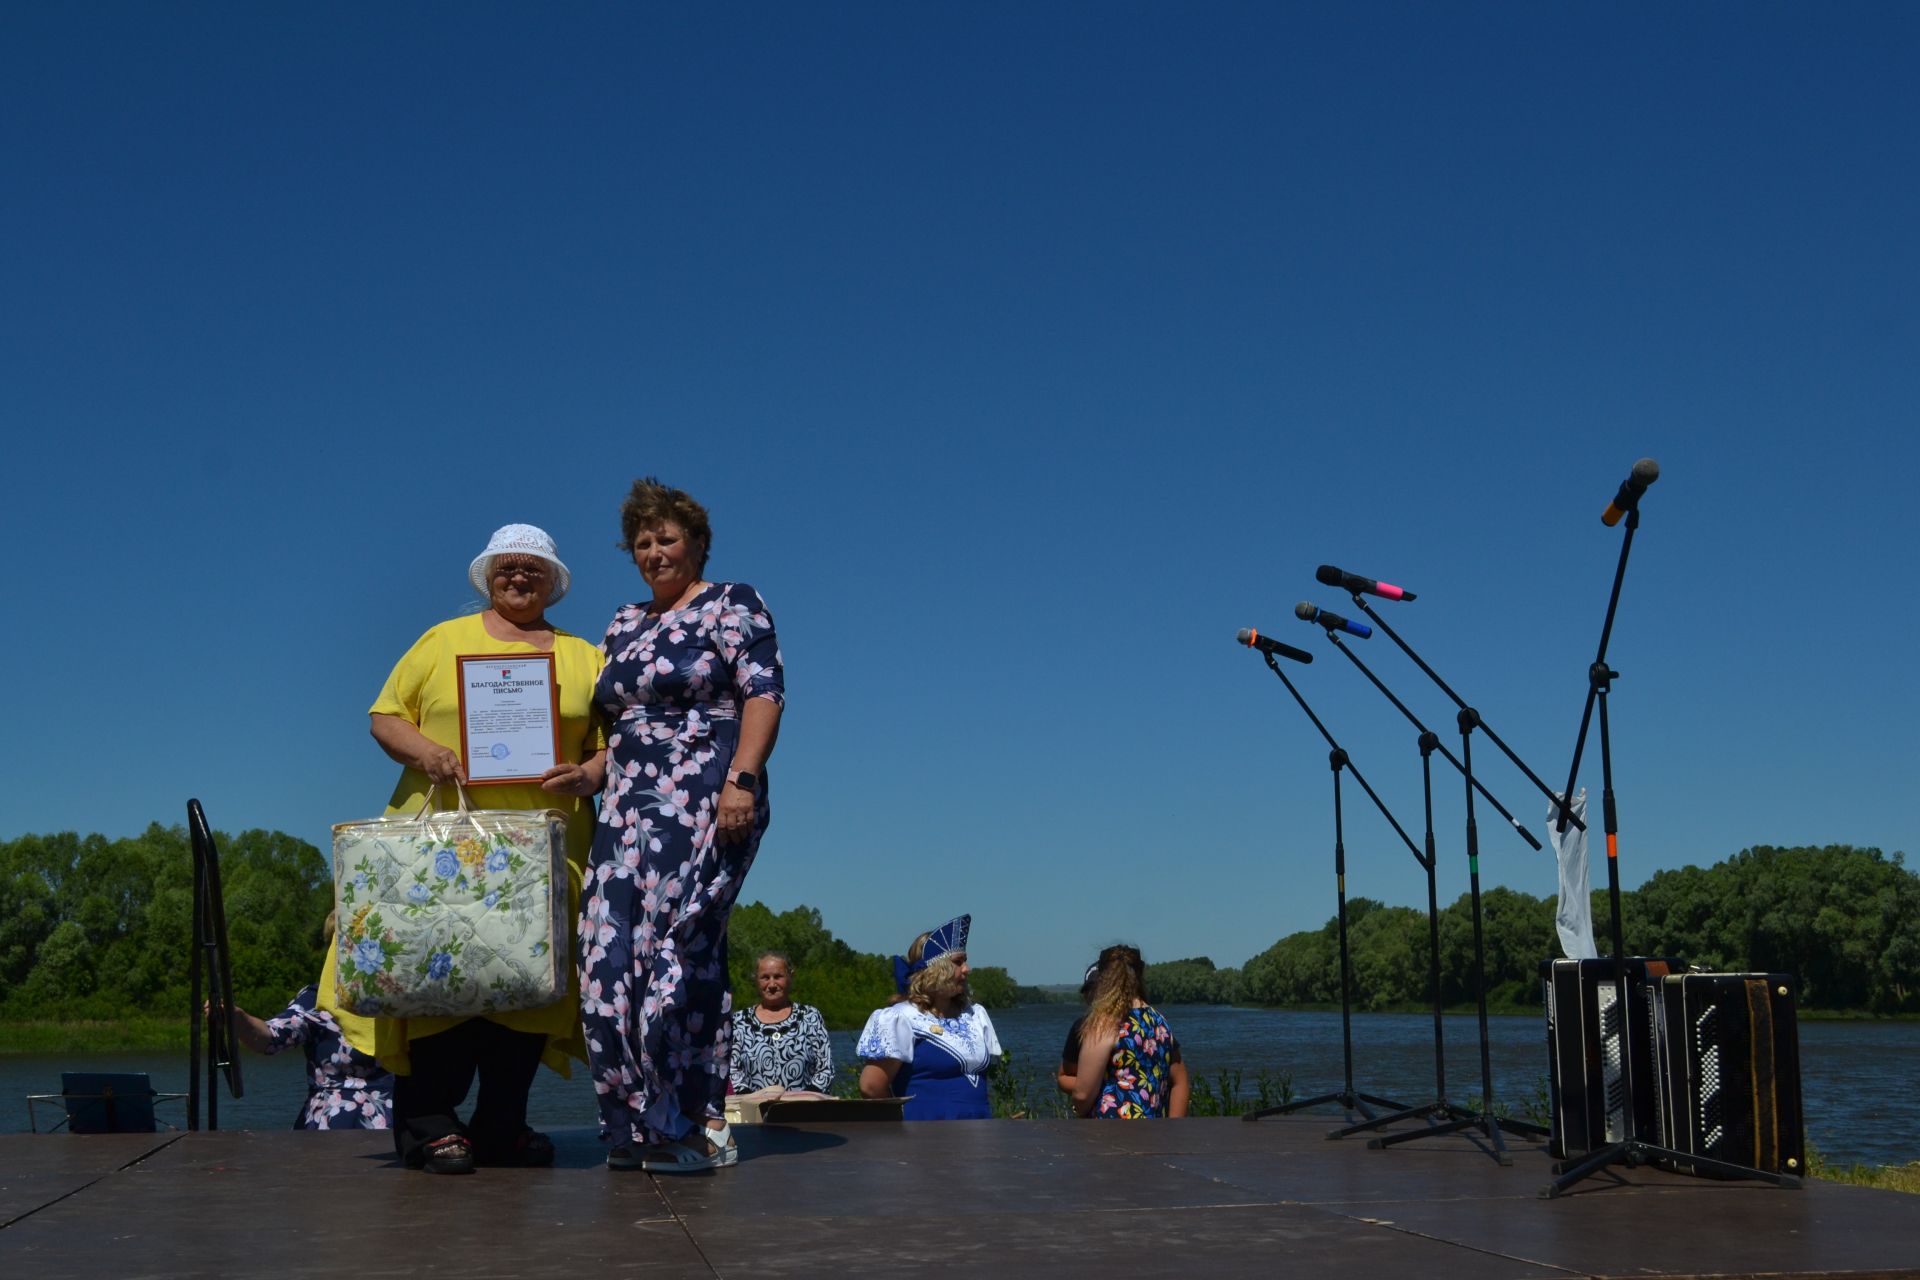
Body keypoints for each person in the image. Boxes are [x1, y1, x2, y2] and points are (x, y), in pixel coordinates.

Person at [322, 523, 608, 1174]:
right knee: (434, 979)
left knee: (524, 990)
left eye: (533, 570)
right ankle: (428, 1125)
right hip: (438, 846)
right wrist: (428, 752)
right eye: (507, 568)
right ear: (487, 575)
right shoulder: (439, 642)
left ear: (553, 582)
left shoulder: (586, 656)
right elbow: (385, 715)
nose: (519, 578)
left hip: (546, 847)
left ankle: (502, 1126)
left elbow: (613, 741)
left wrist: (592, 774)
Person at [581, 478, 784, 1174]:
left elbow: (763, 694)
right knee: (608, 969)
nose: (654, 551)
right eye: (642, 542)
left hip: (707, 798)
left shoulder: (734, 602)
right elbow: (620, 727)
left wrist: (743, 780)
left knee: (678, 959)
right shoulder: (622, 621)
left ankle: (692, 1128)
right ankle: (633, 1128)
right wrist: (589, 774)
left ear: (696, 542)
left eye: (666, 537)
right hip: (625, 810)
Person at [856, 915, 1001, 1120]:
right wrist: (901, 1125)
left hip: (979, 1135)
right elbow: (871, 1086)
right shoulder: (901, 1018)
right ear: (935, 970)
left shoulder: (975, 1015)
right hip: (925, 1140)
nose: (967, 969)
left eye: (965, 961)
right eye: (958, 962)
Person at [228, 966, 395, 1130]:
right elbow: (273, 1037)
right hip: (332, 1127)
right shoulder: (317, 998)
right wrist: (239, 1020)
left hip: (402, 1122)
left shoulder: (409, 997)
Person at [1069, 945, 1190, 1119]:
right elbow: (1179, 1079)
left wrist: (1079, 1109)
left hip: (1110, 1135)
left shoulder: (1106, 1022)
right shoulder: (1159, 1021)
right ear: (1139, 976)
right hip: (1154, 1133)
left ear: (1103, 978)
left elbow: (1082, 1095)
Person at [729, 951, 834, 1094]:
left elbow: (825, 1069)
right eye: (765, 978)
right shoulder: (739, 1021)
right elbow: (732, 1070)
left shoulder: (810, 1016)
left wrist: (804, 1099)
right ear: (756, 980)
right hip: (752, 1112)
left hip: (805, 1110)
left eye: (778, 977)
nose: (771, 984)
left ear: (790, 977)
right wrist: (751, 1099)